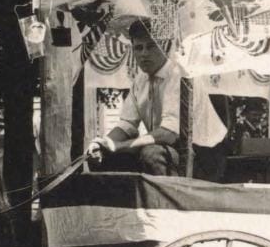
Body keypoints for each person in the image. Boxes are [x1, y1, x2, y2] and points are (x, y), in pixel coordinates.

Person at [87, 20, 227, 180]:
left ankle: (164, 197)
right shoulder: (140, 80)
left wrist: (118, 146)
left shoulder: (179, 75)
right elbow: (126, 125)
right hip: (173, 149)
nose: (144, 53)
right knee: (102, 156)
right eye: (138, 48)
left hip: (206, 155)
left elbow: (168, 134)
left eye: (151, 46)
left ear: (164, 47)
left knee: (151, 154)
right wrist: (103, 144)